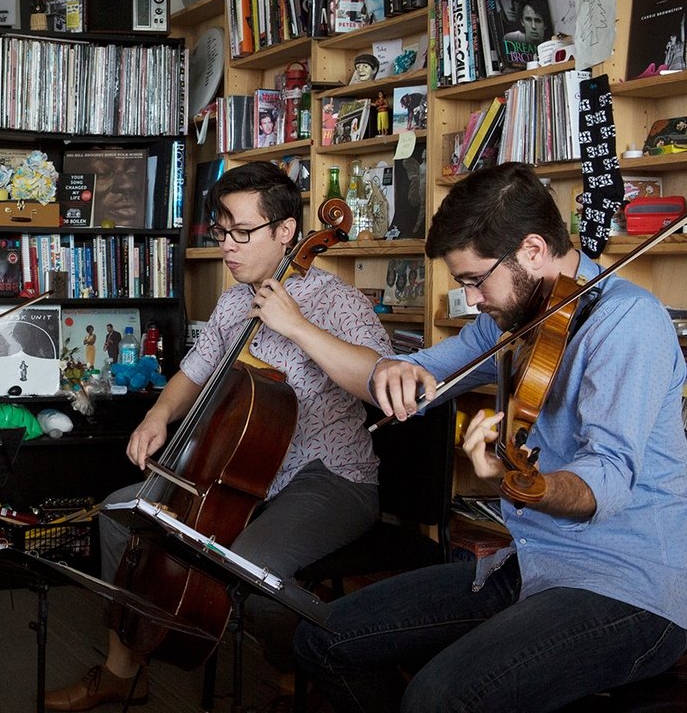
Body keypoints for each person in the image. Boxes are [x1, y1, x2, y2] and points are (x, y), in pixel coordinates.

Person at [293, 162, 687, 711]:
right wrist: (396, 371)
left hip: (626, 588)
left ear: (531, 250)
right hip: (528, 564)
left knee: (437, 697)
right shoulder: (511, 318)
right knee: (322, 637)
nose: (472, 299)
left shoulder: (627, 324)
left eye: (475, 280)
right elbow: (427, 370)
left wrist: (518, 482)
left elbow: (607, 484)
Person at [44, 161, 393, 711]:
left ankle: (293, 675)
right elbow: (192, 374)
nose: (227, 246)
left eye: (241, 232)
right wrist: (156, 417)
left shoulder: (336, 301)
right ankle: (122, 671)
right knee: (120, 518)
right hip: (236, 471)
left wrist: (296, 324)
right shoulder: (234, 301)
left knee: (252, 571)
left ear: (285, 232)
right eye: (221, 232)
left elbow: (382, 383)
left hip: (328, 477)